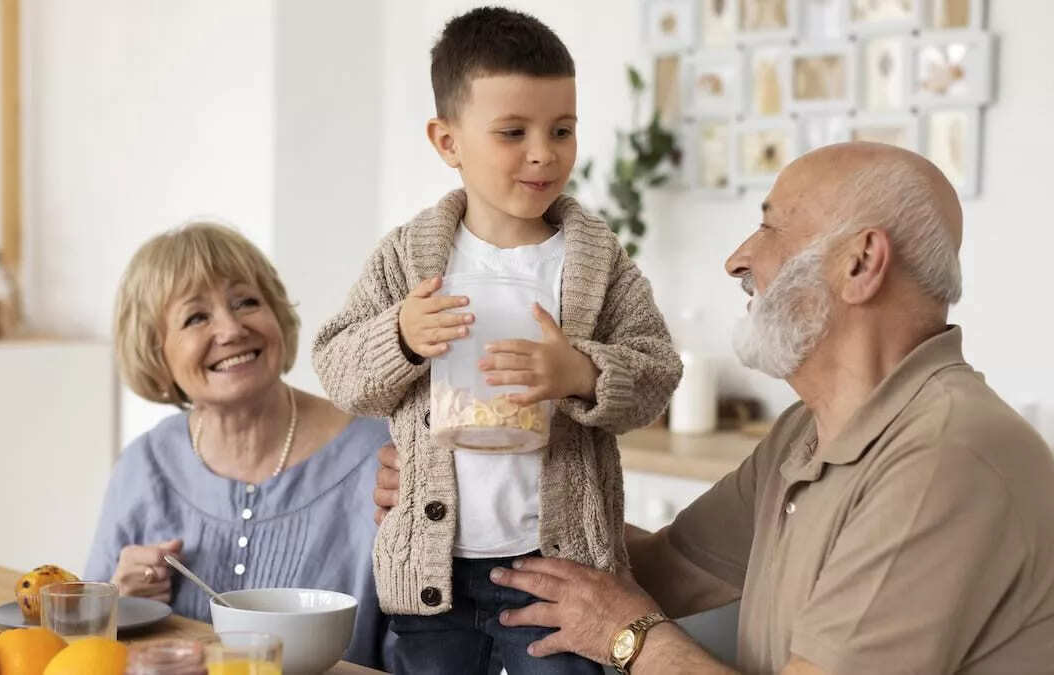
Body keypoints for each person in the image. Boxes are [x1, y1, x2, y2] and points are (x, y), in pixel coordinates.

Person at [380, 142, 1054, 673]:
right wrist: (480, 505)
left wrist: (628, 639)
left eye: (769, 226)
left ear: (861, 263)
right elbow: (665, 568)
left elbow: (624, 613)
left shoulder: (944, 458)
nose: (737, 259)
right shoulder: (808, 432)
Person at [311, 7, 682, 675]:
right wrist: (399, 335)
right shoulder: (407, 259)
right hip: (434, 575)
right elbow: (338, 366)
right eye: (513, 132)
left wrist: (581, 373)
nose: (544, 152)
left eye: (562, 129)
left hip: (555, 577)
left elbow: (658, 373)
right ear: (448, 141)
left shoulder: (596, 262)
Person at [84, 223, 393, 670]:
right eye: (196, 317)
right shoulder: (143, 464)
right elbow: (83, 649)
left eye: (247, 302)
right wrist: (120, 605)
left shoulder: (381, 457)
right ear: (157, 352)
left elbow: (426, 653)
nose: (230, 329)